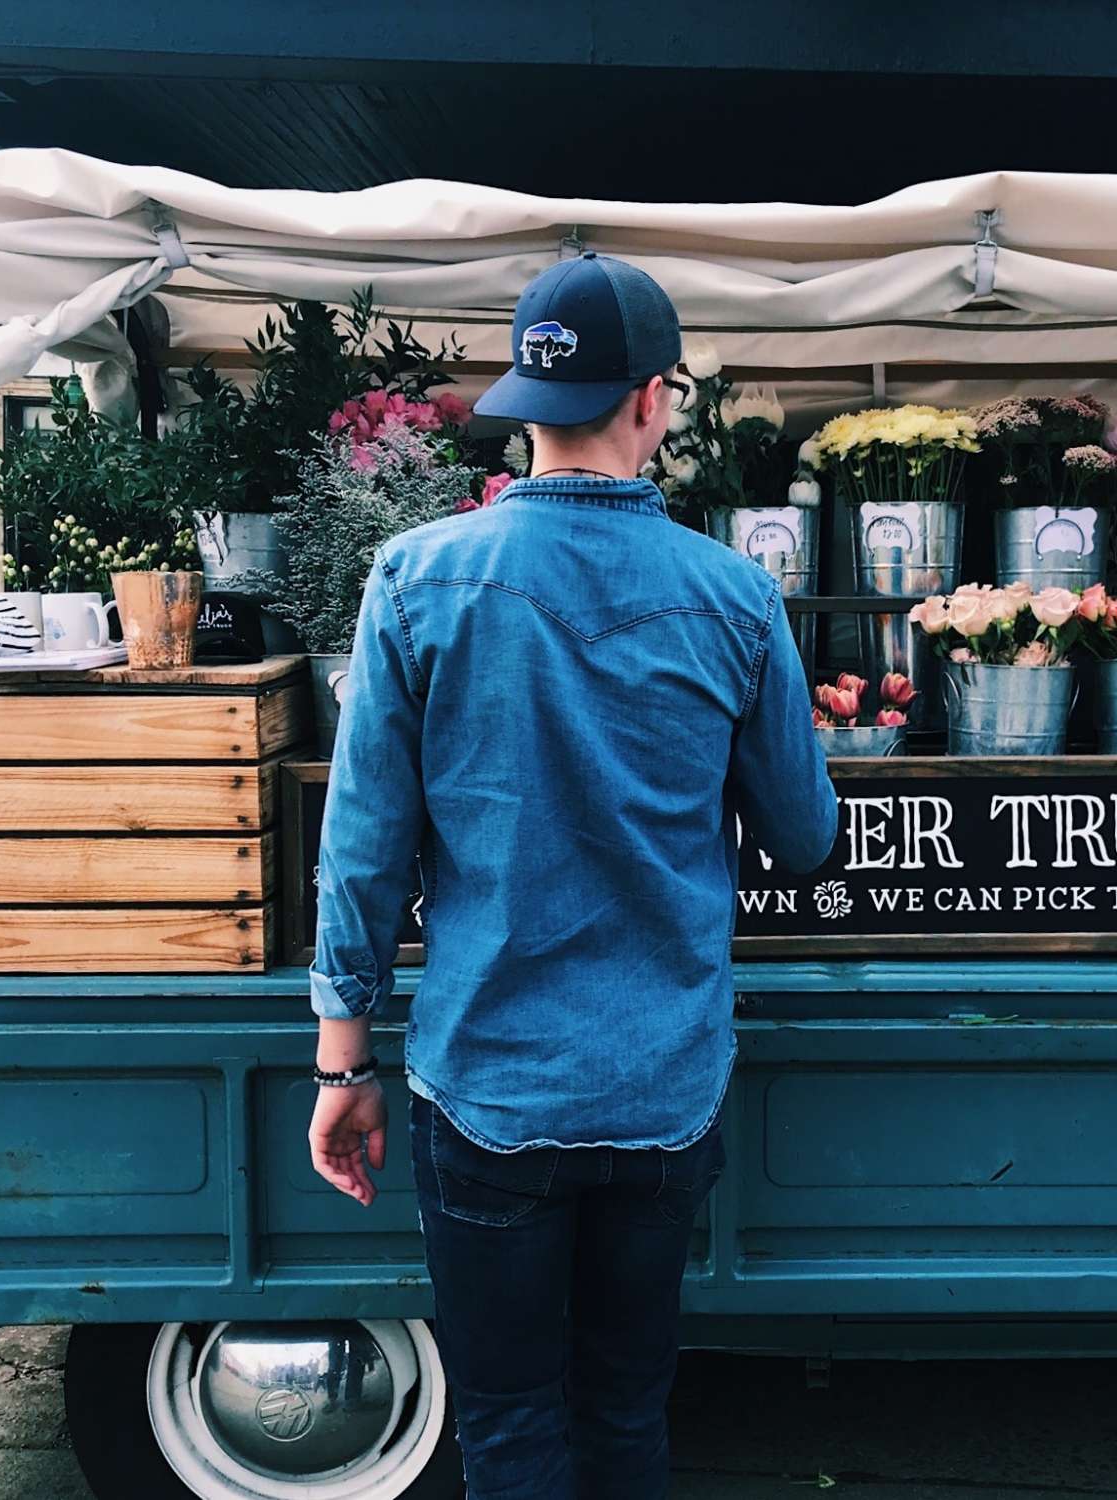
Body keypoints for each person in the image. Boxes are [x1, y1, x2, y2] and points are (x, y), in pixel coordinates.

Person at [304, 252, 838, 1498]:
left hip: (486, 1079)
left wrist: (343, 1063)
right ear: (654, 399)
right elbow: (803, 839)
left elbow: (365, 844)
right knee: (622, 1410)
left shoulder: (419, 578)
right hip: (663, 1086)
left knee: (503, 1422)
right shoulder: (734, 597)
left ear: (523, 405)